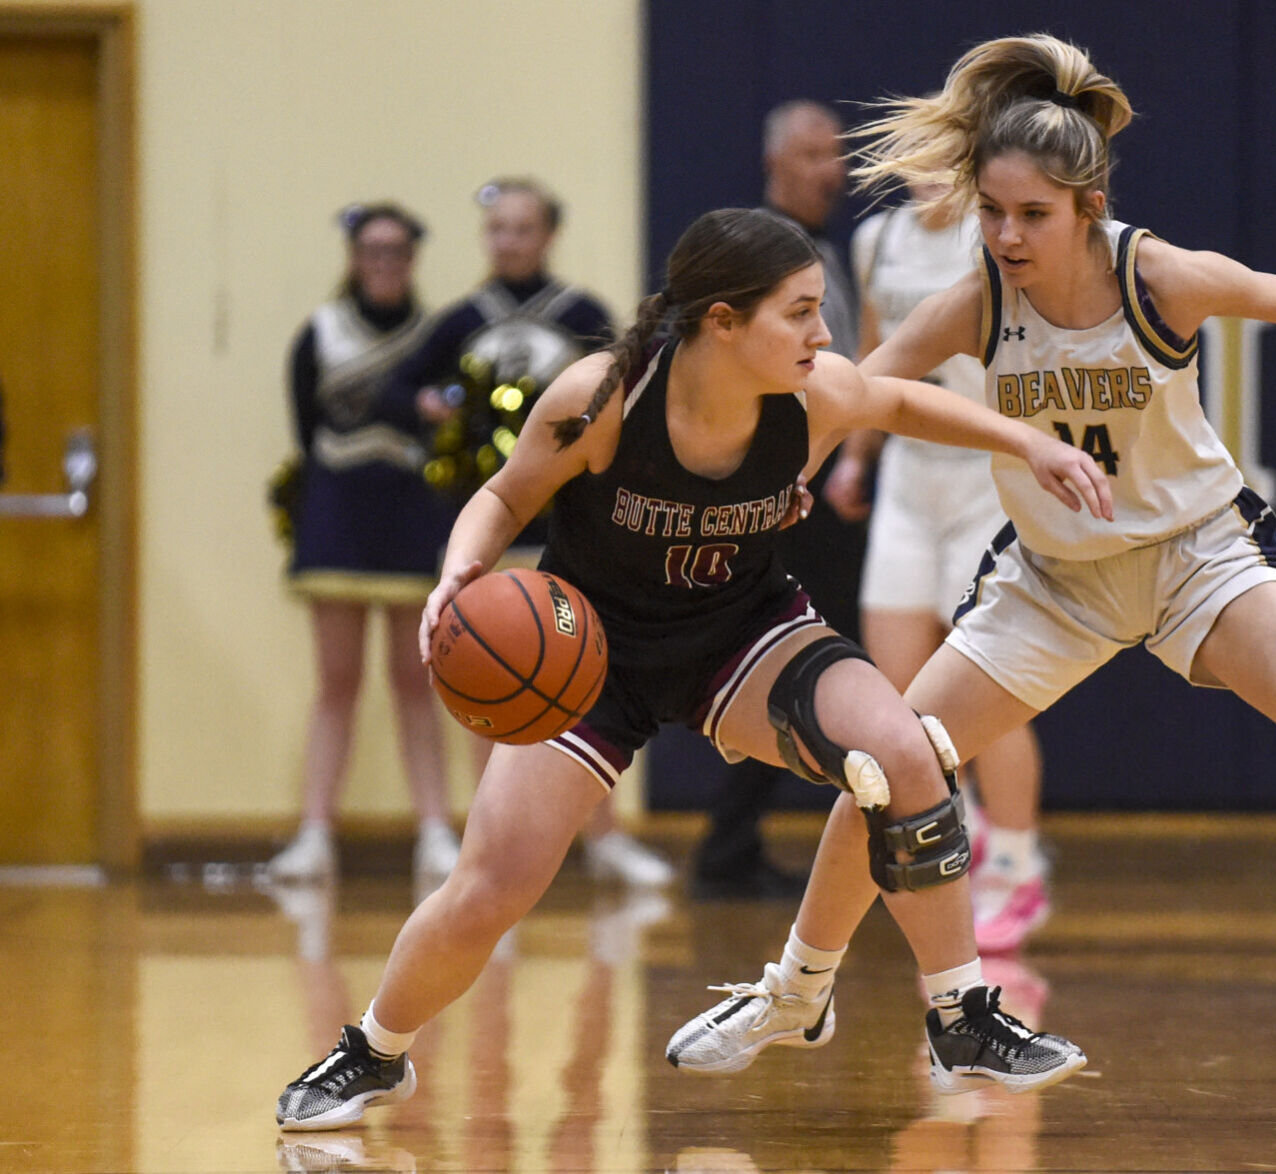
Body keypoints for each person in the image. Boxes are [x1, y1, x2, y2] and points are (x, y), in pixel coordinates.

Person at [679, 34, 1276, 1133]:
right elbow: (853, 391)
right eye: (991, 212)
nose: (1006, 236)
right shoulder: (980, 301)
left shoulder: (1156, 276)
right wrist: (745, 457)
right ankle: (797, 991)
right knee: (885, 766)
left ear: (1089, 203)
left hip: (1197, 559)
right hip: (1051, 581)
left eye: (1030, 214)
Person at [274, 207, 1107, 1131]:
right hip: (592, 653)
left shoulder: (810, 395)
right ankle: (375, 1050)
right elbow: (505, 494)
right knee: (492, 886)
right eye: (797, 313)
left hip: (740, 636)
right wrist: (460, 571)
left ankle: (962, 1014)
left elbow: (901, 399)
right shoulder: (604, 398)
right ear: (721, 320)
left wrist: (1031, 443)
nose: (822, 334)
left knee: (907, 757)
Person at [384, 177, 673, 887]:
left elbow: (629, 392)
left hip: (571, 527)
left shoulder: (580, 314)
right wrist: (430, 407)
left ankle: (604, 840)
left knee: (586, 687)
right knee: (496, 680)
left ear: (548, 235)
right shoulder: (457, 323)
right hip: (489, 523)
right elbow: (399, 389)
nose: (509, 240)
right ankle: (485, 847)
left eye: (522, 228)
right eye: (498, 229)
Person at [824, 184, 1052, 952]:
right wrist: (854, 455)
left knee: (986, 686)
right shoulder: (877, 240)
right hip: (908, 479)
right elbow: (873, 357)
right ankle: (972, 830)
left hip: (982, 477)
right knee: (897, 696)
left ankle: (1019, 866)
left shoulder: (993, 237)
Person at [690, 101, 866, 899]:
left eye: (836, 155)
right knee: (794, 656)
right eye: (813, 154)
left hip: (834, 475)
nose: (831, 168)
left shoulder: (835, 249)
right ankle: (727, 846)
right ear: (775, 164)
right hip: (782, 485)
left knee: (824, 659)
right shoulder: (752, 256)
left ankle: (734, 845)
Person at [268, 203, 462, 884]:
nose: (385, 264)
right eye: (372, 251)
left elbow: (453, 427)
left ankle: (436, 832)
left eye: (397, 252)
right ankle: (315, 833)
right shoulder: (319, 333)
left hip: (412, 515)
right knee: (337, 683)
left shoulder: (436, 335)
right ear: (353, 257)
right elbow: (305, 430)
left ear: (413, 259)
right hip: (339, 517)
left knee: (417, 681)